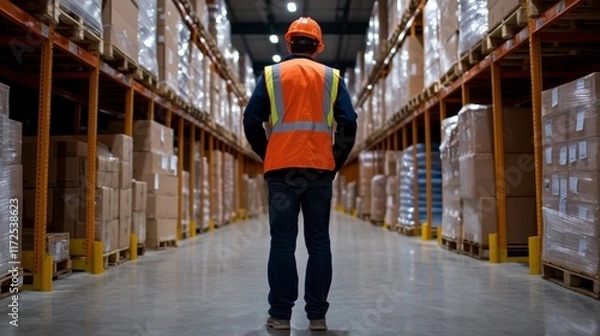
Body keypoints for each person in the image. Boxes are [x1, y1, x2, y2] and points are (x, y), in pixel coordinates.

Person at [243, 17, 357, 331]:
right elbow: (349, 123)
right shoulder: (332, 77)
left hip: (281, 171)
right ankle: (317, 317)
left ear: (289, 43)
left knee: (282, 243)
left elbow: (251, 120)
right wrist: (335, 160)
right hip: (319, 170)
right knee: (319, 242)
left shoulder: (271, 75)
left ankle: (280, 316)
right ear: (318, 46)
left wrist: (268, 153)